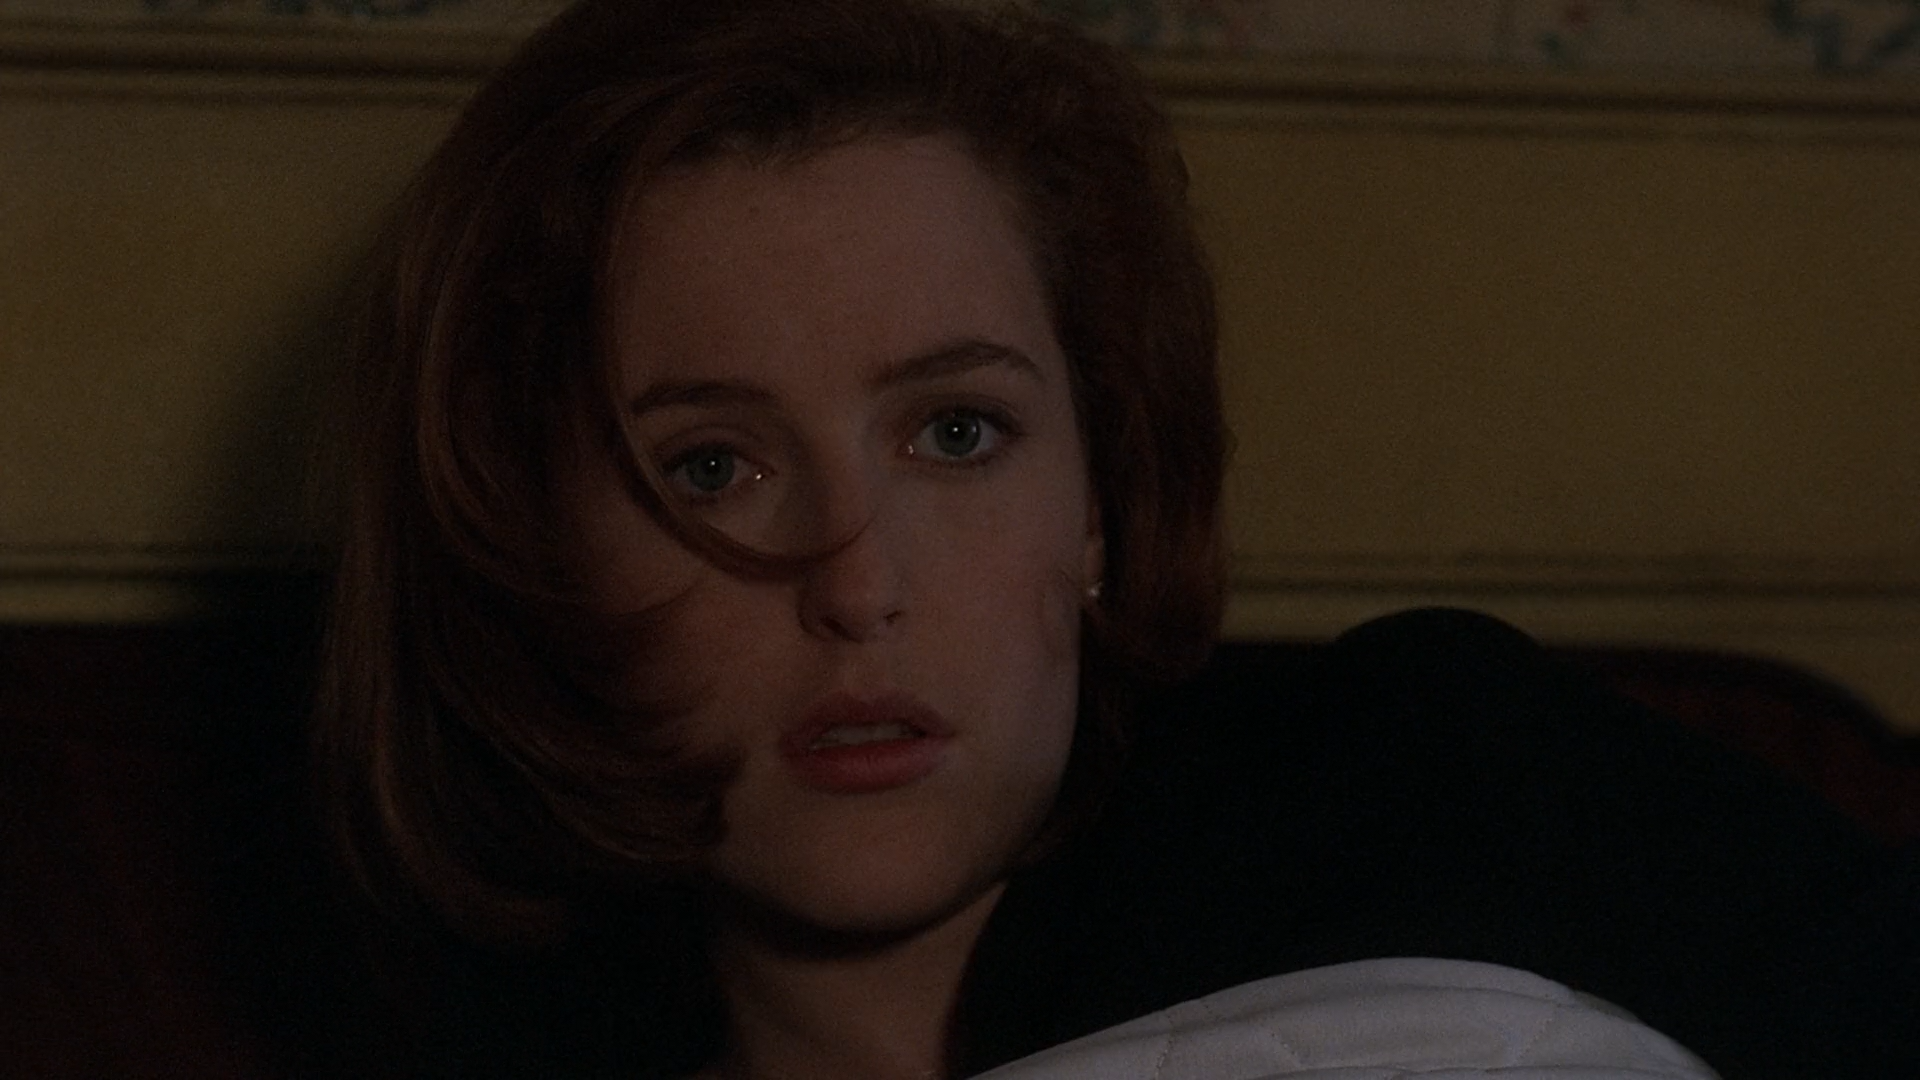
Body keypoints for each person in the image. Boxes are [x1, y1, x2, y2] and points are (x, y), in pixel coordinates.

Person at [311, 1, 1919, 1078]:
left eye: (958, 433)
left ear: (1100, 497)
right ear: (537, 553)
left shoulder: (1442, 783)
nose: (858, 583)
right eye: (714, 467)